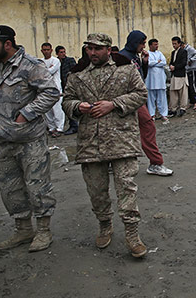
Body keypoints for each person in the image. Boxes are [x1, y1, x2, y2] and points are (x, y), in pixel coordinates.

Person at [63, 33, 149, 258]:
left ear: (108, 50)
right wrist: (76, 106)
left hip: (121, 140)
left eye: (97, 49)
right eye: (89, 48)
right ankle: (104, 224)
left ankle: (132, 233)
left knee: (126, 188)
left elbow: (141, 94)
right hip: (90, 142)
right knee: (96, 191)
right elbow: (66, 100)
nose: (92, 53)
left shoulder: (126, 69)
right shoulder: (77, 74)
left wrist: (114, 104)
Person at [0, 25, 59, 252]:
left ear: (7, 44)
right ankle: (23, 230)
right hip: (2, 139)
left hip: (29, 140)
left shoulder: (31, 66)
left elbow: (51, 92)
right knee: (10, 188)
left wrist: (27, 114)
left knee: (37, 186)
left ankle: (44, 231)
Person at [118, 31, 173, 177]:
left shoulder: (135, 56)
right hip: (127, 100)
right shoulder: (123, 57)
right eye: (142, 43)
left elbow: (140, 78)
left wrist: (145, 63)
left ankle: (154, 162)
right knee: (144, 127)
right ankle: (155, 163)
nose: (143, 47)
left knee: (145, 127)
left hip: (135, 99)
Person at [40, 42, 65, 136]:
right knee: (47, 110)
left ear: (51, 50)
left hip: (55, 88)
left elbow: (49, 72)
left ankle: (59, 128)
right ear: (41, 51)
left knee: (57, 109)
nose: (46, 52)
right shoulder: (41, 61)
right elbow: (38, 73)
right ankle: (51, 128)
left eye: (48, 50)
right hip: (44, 88)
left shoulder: (55, 61)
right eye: (44, 50)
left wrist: (44, 70)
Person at [55, 46, 78, 134]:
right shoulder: (56, 62)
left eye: (64, 52)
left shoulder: (69, 60)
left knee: (70, 105)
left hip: (69, 87)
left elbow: (73, 72)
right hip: (61, 86)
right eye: (61, 52)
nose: (63, 54)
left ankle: (74, 125)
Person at [146, 39, 170, 120]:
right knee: (151, 98)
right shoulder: (147, 54)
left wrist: (155, 62)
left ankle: (163, 114)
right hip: (151, 80)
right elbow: (149, 63)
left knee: (162, 97)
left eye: (157, 44)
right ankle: (152, 114)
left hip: (160, 79)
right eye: (155, 44)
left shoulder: (160, 53)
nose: (157, 46)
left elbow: (164, 62)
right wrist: (157, 61)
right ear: (150, 45)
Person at [169, 36, 188, 117]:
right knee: (173, 92)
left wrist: (175, 67)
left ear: (179, 44)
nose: (173, 45)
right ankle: (173, 109)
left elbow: (183, 63)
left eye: (175, 44)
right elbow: (171, 62)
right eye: (172, 44)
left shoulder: (184, 52)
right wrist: (170, 66)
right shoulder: (173, 53)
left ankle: (182, 108)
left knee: (183, 93)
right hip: (174, 74)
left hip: (181, 74)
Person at [184, 41, 196, 110]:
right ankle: (191, 101)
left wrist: (191, 60)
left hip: (192, 69)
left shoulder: (189, 48)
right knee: (188, 86)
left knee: (193, 86)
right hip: (186, 70)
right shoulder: (183, 50)